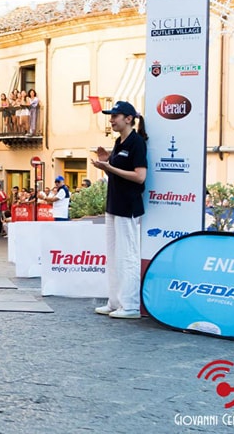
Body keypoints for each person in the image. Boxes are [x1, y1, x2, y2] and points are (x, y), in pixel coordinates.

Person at [91, 100, 147, 319]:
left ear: (129, 119)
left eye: (115, 116)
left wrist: (110, 167)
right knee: (113, 256)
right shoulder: (118, 142)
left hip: (128, 206)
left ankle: (130, 305)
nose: (111, 120)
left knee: (128, 256)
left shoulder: (136, 142)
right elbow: (116, 174)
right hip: (113, 204)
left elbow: (140, 176)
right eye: (111, 116)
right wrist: (106, 164)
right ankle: (115, 302)